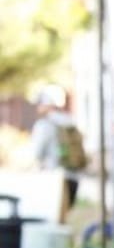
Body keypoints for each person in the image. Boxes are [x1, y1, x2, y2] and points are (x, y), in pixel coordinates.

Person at [29, 84, 84, 224]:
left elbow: (37, 153)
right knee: (65, 219)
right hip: (74, 176)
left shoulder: (44, 124)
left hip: (54, 178)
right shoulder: (70, 121)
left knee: (51, 222)